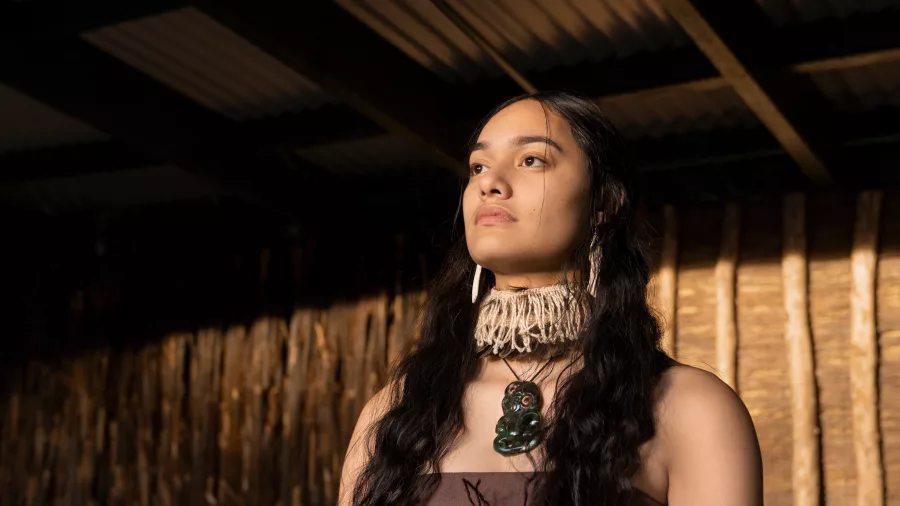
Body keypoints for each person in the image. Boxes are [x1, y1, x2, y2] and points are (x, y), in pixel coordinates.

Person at [338, 91, 763, 506]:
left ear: (604, 203)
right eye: (478, 166)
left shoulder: (690, 410)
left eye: (531, 160)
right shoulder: (393, 413)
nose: (490, 182)